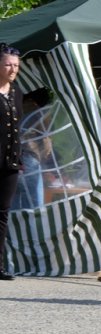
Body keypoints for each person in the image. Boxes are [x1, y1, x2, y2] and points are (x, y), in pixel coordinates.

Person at [0, 43, 23, 281]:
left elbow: (17, 129)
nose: (12, 69)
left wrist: (19, 158)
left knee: (3, 214)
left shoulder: (17, 93)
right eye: (8, 64)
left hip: (10, 164)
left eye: (16, 65)